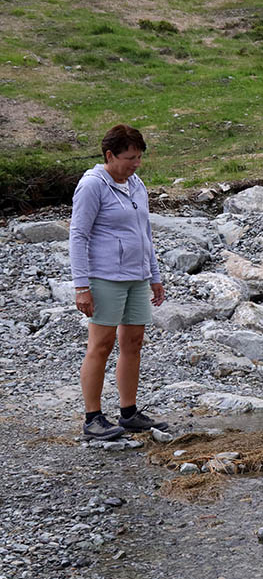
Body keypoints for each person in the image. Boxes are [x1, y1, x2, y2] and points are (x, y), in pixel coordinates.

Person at [69, 124, 167, 441]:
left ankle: (129, 412)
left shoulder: (135, 184)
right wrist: (81, 286)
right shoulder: (92, 186)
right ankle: (93, 418)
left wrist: (154, 276)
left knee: (133, 342)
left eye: (139, 157)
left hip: (137, 278)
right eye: (129, 158)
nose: (136, 164)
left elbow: (145, 234)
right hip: (105, 277)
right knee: (101, 344)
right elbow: (78, 236)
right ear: (110, 155)